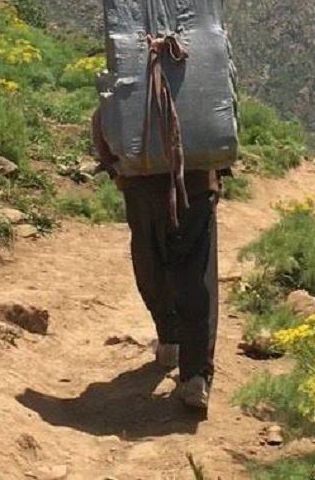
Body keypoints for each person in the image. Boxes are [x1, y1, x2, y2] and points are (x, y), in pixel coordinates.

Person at [91, 107, 223, 413]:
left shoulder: (128, 77)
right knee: (198, 274)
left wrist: (115, 168)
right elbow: (224, 120)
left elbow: (103, 121)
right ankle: (196, 376)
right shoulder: (201, 80)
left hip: (140, 186)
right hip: (197, 183)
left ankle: (169, 339)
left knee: (150, 263)